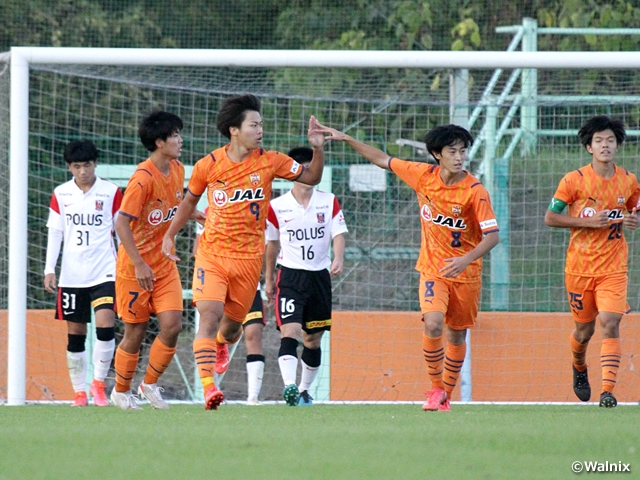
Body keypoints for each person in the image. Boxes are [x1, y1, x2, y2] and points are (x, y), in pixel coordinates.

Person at [315, 122, 499, 412]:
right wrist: (347, 138)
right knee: (433, 321)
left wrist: (465, 259)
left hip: (467, 274)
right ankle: (435, 388)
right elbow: (381, 159)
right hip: (432, 269)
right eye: (453, 151)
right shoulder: (422, 175)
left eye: (463, 151)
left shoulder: (475, 191)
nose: (460, 157)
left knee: (456, 334)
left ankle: (445, 395)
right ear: (438, 154)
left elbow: (493, 236)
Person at [162, 94, 325, 410]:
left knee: (232, 327)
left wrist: (318, 148)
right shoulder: (207, 165)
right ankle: (209, 388)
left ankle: (222, 344)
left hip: (249, 259)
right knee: (208, 315)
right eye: (254, 124)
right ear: (234, 130)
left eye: (261, 124)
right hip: (212, 254)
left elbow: (312, 176)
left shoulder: (271, 160)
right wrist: (170, 235)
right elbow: (189, 203)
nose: (260, 130)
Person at [545, 115, 640, 408]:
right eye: (599, 141)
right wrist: (586, 223)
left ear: (617, 146)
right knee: (584, 331)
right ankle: (579, 365)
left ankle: (607, 391)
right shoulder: (574, 181)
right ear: (589, 147)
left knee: (610, 323)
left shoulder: (628, 180)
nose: (605, 145)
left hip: (613, 266)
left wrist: (635, 219)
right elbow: (550, 218)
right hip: (579, 269)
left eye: (610, 140)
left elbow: (636, 207)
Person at [111, 110, 203, 410]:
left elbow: (176, 202)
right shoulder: (141, 180)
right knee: (135, 332)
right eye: (175, 135)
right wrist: (138, 264)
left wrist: (194, 213)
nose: (180, 140)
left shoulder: (176, 169)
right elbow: (121, 223)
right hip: (135, 269)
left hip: (164, 265)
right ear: (159, 142)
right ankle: (121, 391)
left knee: (173, 325)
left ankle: (149, 384)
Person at [264, 146, 347, 406]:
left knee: (313, 338)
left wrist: (338, 257)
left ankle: (303, 390)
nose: (312, 173)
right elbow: (272, 245)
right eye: (307, 169)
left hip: (319, 277)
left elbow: (338, 233)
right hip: (289, 276)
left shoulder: (329, 200)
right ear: (293, 173)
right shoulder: (276, 207)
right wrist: (268, 278)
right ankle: (289, 386)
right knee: (289, 331)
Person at [44, 140, 122, 407]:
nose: (82, 171)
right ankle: (79, 392)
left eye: (86, 165)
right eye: (76, 166)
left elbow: (121, 230)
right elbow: (55, 233)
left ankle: (98, 384)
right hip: (72, 275)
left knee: (105, 324)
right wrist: (48, 269)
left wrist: (126, 265)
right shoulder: (61, 193)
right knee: (76, 335)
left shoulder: (111, 192)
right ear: (69, 167)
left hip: (105, 272)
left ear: (95, 164)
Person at [193, 212, 267, 406]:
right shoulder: (212, 209)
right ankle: (210, 389)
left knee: (247, 332)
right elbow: (196, 248)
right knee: (208, 324)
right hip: (216, 279)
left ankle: (253, 398)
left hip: (246, 280)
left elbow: (266, 243)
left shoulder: (255, 203)